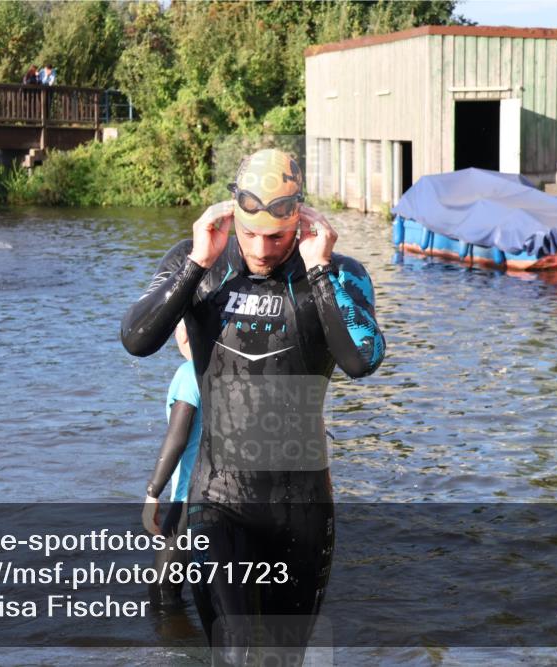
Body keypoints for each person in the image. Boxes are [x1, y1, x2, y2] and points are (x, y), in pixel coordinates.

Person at [121, 148, 385, 665]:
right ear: (232, 216)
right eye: (251, 234)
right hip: (218, 498)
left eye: (278, 236)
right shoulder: (197, 261)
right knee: (236, 653)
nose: (263, 249)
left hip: (303, 506)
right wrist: (197, 262)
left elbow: (361, 361)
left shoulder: (337, 273)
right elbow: (136, 338)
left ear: (301, 222)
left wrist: (321, 271)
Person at [142, 321, 203, 609]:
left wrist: (152, 493)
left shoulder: (190, 373)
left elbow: (176, 439)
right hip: (241, 495)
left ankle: (179, 652)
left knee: (163, 596)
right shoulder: (237, 370)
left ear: (186, 334)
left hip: (192, 498)